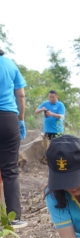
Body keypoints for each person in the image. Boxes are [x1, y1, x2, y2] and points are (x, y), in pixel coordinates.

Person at [0, 47, 27, 228]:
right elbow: (21, 95)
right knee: (10, 170)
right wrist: (21, 120)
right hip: (8, 118)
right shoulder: (10, 64)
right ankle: (13, 217)